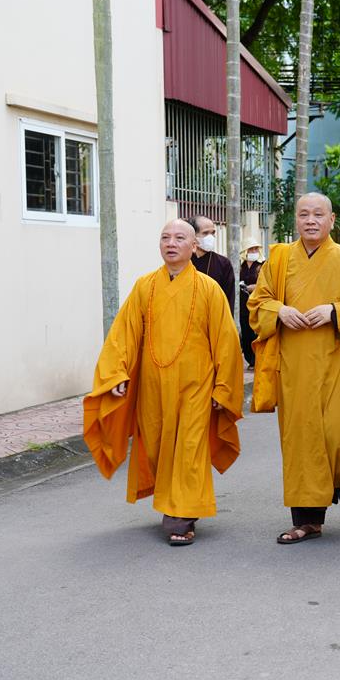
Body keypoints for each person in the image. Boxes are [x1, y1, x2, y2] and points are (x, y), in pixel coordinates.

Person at [247, 192, 340, 544]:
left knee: (338, 434)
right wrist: (280, 311)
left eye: (318, 214)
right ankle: (307, 521)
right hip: (294, 366)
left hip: (336, 363)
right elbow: (258, 303)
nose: (311, 220)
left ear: (332, 221)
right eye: (304, 214)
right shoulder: (279, 260)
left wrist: (336, 312)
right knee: (301, 442)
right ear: (296, 219)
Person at [83, 219, 243, 546]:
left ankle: (181, 514)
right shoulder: (145, 286)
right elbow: (124, 334)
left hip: (196, 386)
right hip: (153, 385)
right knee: (156, 447)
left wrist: (222, 388)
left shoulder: (208, 289)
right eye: (165, 237)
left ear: (193, 246)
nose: (171, 243)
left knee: (189, 448)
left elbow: (226, 342)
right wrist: (117, 373)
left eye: (179, 238)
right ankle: (174, 501)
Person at [191, 216, 236, 310]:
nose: (210, 237)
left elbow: (228, 299)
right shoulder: (183, 261)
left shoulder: (224, 264)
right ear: (193, 236)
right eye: (205, 233)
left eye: (213, 233)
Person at [238, 237, 263, 369]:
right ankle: (250, 360)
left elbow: (266, 283)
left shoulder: (262, 265)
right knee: (246, 332)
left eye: (255, 249)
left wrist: (255, 287)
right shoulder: (239, 266)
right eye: (251, 249)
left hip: (257, 304)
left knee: (256, 332)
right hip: (243, 305)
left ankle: (258, 359)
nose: (254, 251)